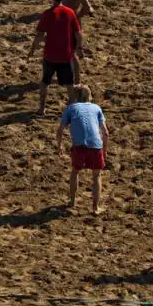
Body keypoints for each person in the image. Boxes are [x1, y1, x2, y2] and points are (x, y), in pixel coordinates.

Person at [57, 85, 109, 214]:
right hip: (95, 145)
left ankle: (72, 201)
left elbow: (60, 130)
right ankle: (95, 208)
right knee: (96, 175)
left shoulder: (71, 108)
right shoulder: (96, 108)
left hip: (79, 145)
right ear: (89, 96)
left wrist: (59, 145)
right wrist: (104, 151)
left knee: (75, 171)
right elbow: (106, 133)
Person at [31, 0, 82, 114]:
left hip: (50, 55)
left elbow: (39, 36)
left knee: (45, 82)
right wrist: (78, 48)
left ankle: (42, 108)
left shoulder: (47, 14)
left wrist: (32, 49)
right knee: (69, 84)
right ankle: (73, 108)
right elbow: (78, 34)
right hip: (65, 55)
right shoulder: (70, 12)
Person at [57, 0, 93, 82]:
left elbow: (87, 7)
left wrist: (77, 17)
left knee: (72, 55)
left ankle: (77, 80)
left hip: (71, 26)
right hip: (62, 24)